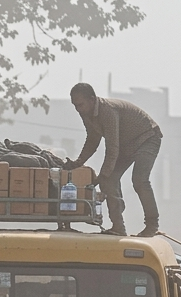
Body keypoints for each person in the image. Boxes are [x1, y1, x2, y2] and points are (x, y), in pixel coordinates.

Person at [63, 83, 164, 237]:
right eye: (75, 105)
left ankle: (152, 226)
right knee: (109, 181)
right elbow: (92, 140)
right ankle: (118, 227)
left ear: (92, 99)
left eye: (81, 104)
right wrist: (78, 163)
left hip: (147, 137)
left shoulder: (108, 111)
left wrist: (102, 175)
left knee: (139, 180)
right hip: (125, 145)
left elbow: (112, 148)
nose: (78, 109)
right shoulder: (86, 113)